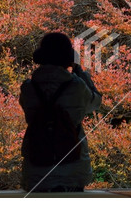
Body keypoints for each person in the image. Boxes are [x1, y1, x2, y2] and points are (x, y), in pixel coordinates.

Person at [19, 32, 103, 192]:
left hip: (36, 172)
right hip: (73, 169)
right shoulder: (77, 87)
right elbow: (96, 102)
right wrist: (83, 74)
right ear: (68, 58)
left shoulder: (28, 88)